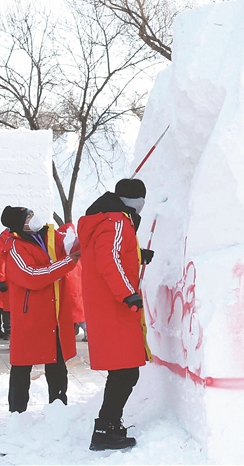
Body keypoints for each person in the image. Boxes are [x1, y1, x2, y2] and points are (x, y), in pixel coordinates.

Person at [78, 178, 153, 451]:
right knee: (126, 372)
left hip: (107, 305)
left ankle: (108, 425)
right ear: (135, 200)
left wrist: (138, 255)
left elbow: (112, 253)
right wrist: (127, 293)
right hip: (115, 306)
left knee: (123, 370)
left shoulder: (106, 219)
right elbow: (108, 259)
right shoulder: (117, 221)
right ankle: (105, 429)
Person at [0, 205, 80, 413]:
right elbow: (32, 276)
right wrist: (66, 263)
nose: (34, 219)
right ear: (19, 224)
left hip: (54, 312)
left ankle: (58, 408)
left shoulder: (47, 236)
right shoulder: (15, 246)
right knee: (22, 365)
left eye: (32, 215)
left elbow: (71, 245)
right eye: (28, 217)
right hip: (30, 315)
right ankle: (17, 412)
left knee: (57, 364)